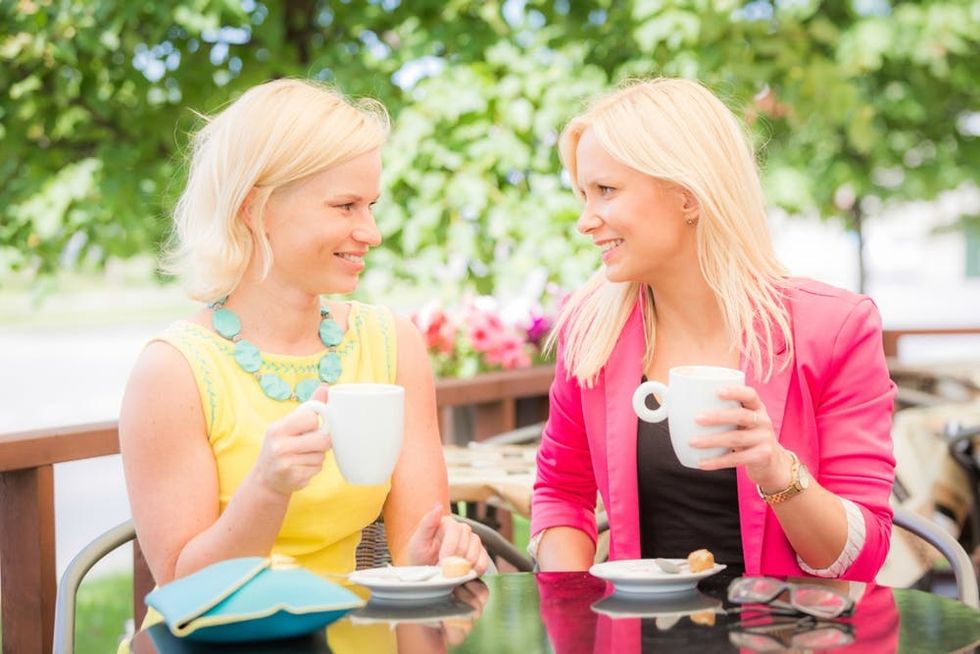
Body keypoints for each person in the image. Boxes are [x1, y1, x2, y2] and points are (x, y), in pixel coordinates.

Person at [119, 79, 490, 603]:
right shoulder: (173, 371)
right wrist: (267, 488)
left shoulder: (392, 345)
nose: (372, 232)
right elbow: (183, 590)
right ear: (255, 209)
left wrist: (442, 552)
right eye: (346, 206)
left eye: (371, 205)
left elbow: (415, 554)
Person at [530, 78, 896, 581]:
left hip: (791, 635)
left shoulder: (834, 328)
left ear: (687, 198)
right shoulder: (592, 330)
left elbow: (862, 556)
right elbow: (561, 494)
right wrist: (571, 603)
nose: (585, 220)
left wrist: (776, 471)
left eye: (606, 191)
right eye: (583, 194)